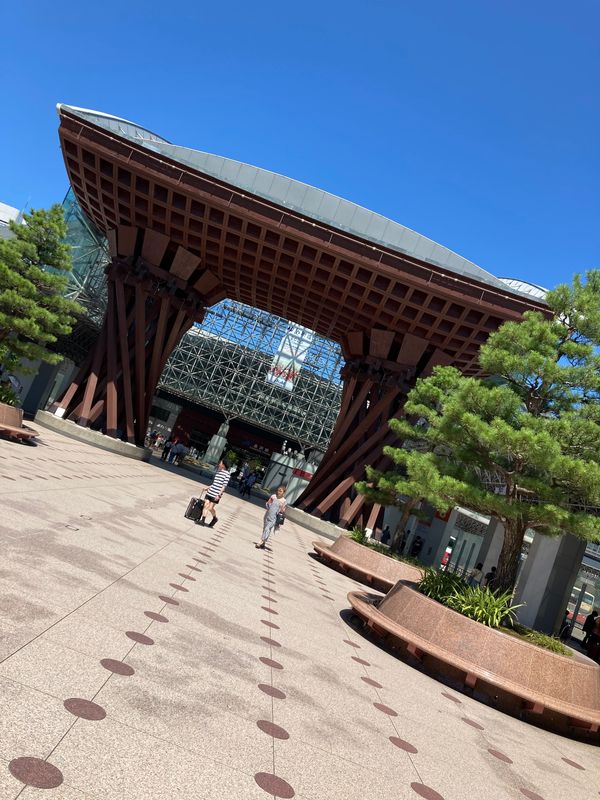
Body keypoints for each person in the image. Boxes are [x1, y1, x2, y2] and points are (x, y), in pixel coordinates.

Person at [200, 459, 231, 528]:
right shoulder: (218, 472)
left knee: (210, 508)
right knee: (206, 505)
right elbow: (215, 483)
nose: (219, 463)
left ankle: (215, 518)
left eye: (220, 462)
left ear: (223, 465)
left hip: (216, 494)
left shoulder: (227, 474)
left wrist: (219, 495)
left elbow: (223, 486)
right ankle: (203, 520)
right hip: (210, 492)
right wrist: (207, 488)